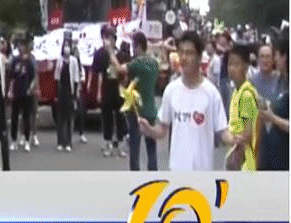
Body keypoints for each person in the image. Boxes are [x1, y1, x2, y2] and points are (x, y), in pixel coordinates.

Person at [138, 31, 244, 171]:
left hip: (203, 171)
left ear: (199, 57)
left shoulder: (211, 93)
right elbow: (163, 129)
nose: (183, 58)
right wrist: (149, 130)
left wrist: (233, 139)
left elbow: (222, 131)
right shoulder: (171, 90)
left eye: (189, 53)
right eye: (181, 52)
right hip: (177, 170)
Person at [110, 31, 159, 171]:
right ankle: (153, 175)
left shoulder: (137, 63)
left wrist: (110, 52)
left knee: (135, 149)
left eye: (133, 46)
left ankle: (135, 176)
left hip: (136, 111)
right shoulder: (154, 63)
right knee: (151, 148)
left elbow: (119, 69)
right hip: (151, 109)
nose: (132, 49)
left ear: (138, 46)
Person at [225, 44, 262, 171]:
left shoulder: (246, 94)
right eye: (229, 64)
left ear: (245, 67)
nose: (231, 68)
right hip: (236, 152)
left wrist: (236, 157)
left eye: (236, 64)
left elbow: (247, 133)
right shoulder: (236, 91)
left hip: (244, 161)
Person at [93, 25, 127, 158]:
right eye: (106, 37)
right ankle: (107, 143)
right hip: (107, 86)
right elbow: (100, 75)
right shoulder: (100, 54)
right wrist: (98, 92)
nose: (108, 40)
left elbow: (124, 73)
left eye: (111, 37)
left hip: (118, 88)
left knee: (120, 117)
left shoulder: (120, 53)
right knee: (107, 116)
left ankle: (120, 145)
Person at [259, 35, 289, 171]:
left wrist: (273, 118)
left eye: (276, 55)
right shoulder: (281, 79)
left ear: (285, 57)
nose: (274, 59)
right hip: (268, 154)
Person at [8, 35, 37, 152]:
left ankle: (27, 140)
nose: (21, 48)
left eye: (23, 45)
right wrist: (10, 91)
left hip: (27, 93)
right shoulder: (15, 61)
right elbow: (12, 77)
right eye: (19, 45)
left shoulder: (29, 62)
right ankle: (13, 140)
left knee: (26, 117)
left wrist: (31, 88)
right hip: (16, 92)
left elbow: (33, 77)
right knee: (14, 117)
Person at [54, 36, 79, 151]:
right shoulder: (59, 61)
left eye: (68, 46)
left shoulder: (74, 61)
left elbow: (76, 78)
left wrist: (75, 95)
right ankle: (60, 141)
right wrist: (56, 94)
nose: (66, 48)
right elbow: (56, 77)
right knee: (60, 118)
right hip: (61, 92)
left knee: (69, 118)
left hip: (70, 91)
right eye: (65, 46)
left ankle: (68, 142)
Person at [72, 43, 89, 145]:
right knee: (69, 114)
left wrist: (78, 90)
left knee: (81, 112)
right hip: (69, 90)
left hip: (78, 91)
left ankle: (81, 133)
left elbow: (82, 79)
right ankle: (67, 135)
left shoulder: (80, 67)